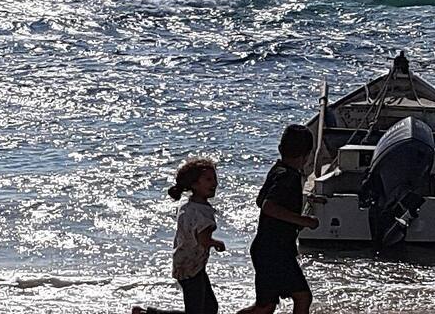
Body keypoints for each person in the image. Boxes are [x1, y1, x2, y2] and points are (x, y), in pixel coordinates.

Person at [236, 125, 320, 314]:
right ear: (306, 155)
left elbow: (261, 201)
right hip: (276, 251)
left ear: (281, 149)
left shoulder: (277, 170)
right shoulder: (288, 177)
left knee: (265, 307)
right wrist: (303, 220)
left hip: (266, 249)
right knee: (302, 296)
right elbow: (268, 206)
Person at [134, 157, 227, 314]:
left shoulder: (187, 205)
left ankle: (148, 313)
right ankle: (149, 313)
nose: (214, 183)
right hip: (192, 266)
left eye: (214, 179)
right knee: (198, 310)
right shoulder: (203, 213)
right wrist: (217, 243)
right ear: (194, 184)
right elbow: (203, 240)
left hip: (185, 261)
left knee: (208, 308)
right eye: (208, 179)